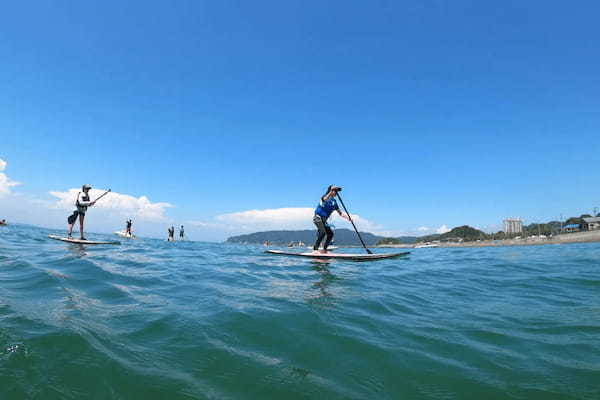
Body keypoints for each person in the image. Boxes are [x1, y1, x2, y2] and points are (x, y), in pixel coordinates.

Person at [313, 185, 350, 253]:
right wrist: (330, 191)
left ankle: (324, 249)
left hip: (324, 221)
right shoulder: (325, 197)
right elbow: (324, 199)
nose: (336, 192)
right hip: (317, 218)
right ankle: (315, 249)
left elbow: (340, 213)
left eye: (336, 191)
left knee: (330, 234)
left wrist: (348, 218)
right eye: (335, 191)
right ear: (330, 191)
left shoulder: (334, 202)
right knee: (323, 232)